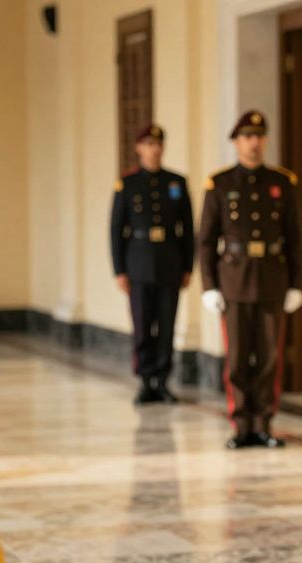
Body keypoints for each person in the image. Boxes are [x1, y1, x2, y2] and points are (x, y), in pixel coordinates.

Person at [198, 111, 302, 449]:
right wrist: (209, 285)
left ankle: (264, 424)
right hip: (233, 281)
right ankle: (241, 424)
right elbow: (205, 240)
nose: (254, 142)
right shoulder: (220, 184)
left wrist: (297, 284)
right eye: (247, 137)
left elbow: (295, 239)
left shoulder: (282, 183)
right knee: (238, 359)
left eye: (259, 136)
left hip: (272, 280)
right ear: (236, 142)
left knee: (269, 358)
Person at [110, 124, 195, 405]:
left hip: (170, 261)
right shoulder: (128, 184)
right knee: (143, 325)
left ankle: (163, 380)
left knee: (167, 325)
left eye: (158, 144)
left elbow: (187, 228)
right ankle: (146, 381)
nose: (154, 149)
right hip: (139, 263)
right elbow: (116, 229)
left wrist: (187, 266)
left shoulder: (176, 183)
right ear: (138, 148)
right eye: (147, 144)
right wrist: (119, 270)